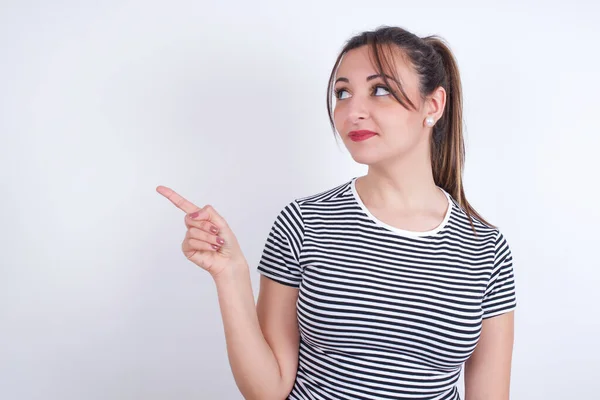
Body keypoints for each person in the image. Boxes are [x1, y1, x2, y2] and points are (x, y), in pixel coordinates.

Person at [157, 25, 517, 400]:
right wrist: (230, 275)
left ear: (434, 105)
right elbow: (266, 390)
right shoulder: (304, 223)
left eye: (380, 90)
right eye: (343, 93)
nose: (352, 111)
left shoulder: (485, 249)